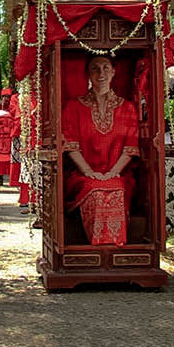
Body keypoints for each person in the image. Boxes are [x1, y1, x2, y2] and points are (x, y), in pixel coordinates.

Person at [61, 56, 139, 245]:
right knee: (96, 191)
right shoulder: (73, 107)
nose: (101, 73)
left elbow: (130, 148)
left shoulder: (127, 107)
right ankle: (100, 252)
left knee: (116, 189)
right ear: (87, 73)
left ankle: (112, 252)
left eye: (105, 68)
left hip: (119, 174)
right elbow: (71, 145)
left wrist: (113, 172)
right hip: (81, 175)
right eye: (95, 68)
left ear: (113, 72)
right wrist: (89, 172)